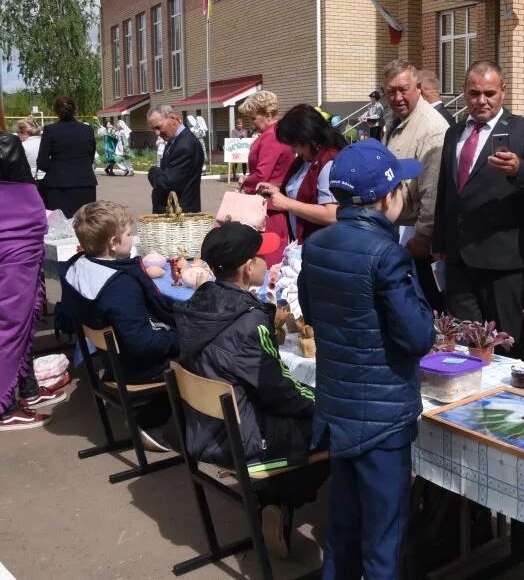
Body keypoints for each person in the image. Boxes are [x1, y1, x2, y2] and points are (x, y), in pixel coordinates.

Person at [299, 140, 435, 579]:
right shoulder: (387, 254)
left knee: (343, 527)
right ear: (386, 197)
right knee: (383, 539)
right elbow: (416, 337)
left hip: (339, 406)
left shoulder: (317, 245)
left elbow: (313, 311)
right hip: (382, 416)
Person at [176, 222, 327, 558]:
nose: (267, 262)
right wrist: (322, 403)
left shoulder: (201, 300)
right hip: (238, 436)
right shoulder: (247, 321)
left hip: (204, 425)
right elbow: (278, 390)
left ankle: (276, 497)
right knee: (331, 427)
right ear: (247, 268)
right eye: (262, 257)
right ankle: (280, 501)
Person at [433, 61, 524, 360]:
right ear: (464, 93)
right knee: (463, 340)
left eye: (489, 93)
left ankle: (511, 401)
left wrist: (518, 170)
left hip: (504, 260)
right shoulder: (454, 133)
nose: (481, 100)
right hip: (459, 258)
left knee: (504, 342)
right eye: (474, 93)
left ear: (503, 91)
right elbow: (446, 191)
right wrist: (439, 242)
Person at [60, 200, 179, 448]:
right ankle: (150, 421)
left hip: (111, 360)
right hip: (134, 366)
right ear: (113, 244)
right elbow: (141, 342)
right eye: (128, 234)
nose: (132, 238)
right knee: (206, 349)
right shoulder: (119, 284)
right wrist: (183, 338)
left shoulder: (77, 266)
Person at [0, 126, 61, 431]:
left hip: (20, 246)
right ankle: (5, 405)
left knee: (22, 321)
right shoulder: (7, 144)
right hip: (14, 247)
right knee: (12, 322)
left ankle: (23, 390)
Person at [380, 60, 448, 312]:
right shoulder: (395, 119)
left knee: (425, 308)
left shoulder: (431, 128)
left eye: (403, 89)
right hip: (396, 232)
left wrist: (423, 237)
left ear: (418, 87)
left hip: (415, 237)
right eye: (391, 92)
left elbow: (433, 190)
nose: (397, 97)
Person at [256, 104, 346, 245]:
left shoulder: (328, 161)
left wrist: (287, 203)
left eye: (295, 145)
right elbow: (303, 189)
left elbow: (331, 214)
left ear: (307, 137)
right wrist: (277, 190)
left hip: (323, 247)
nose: (293, 150)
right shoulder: (305, 161)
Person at [238, 90, 294, 265]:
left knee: (267, 259)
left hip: (268, 208)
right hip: (268, 204)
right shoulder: (276, 133)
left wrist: (244, 180)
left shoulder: (272, 136)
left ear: (267, 114)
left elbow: (263, 174)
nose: (251, 122)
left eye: (253, 118)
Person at [37, 95, 97, 218]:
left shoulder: (50, 130)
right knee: (87, 225)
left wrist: (56, 169)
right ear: (74, 109)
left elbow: (42, 162)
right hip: (85, 183)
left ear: (56, 111)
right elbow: (90, 156)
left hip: (58, 185)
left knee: (60, 228)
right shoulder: (87, 130)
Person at [147, 104, 205, 213]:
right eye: (153, 129)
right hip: (173, 213)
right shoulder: (175, 140)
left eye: (159, 127)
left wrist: (153, 171)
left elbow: (167, 183)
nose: (157, 133)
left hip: (179, 216)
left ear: (172, 119)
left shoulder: (185, 145)